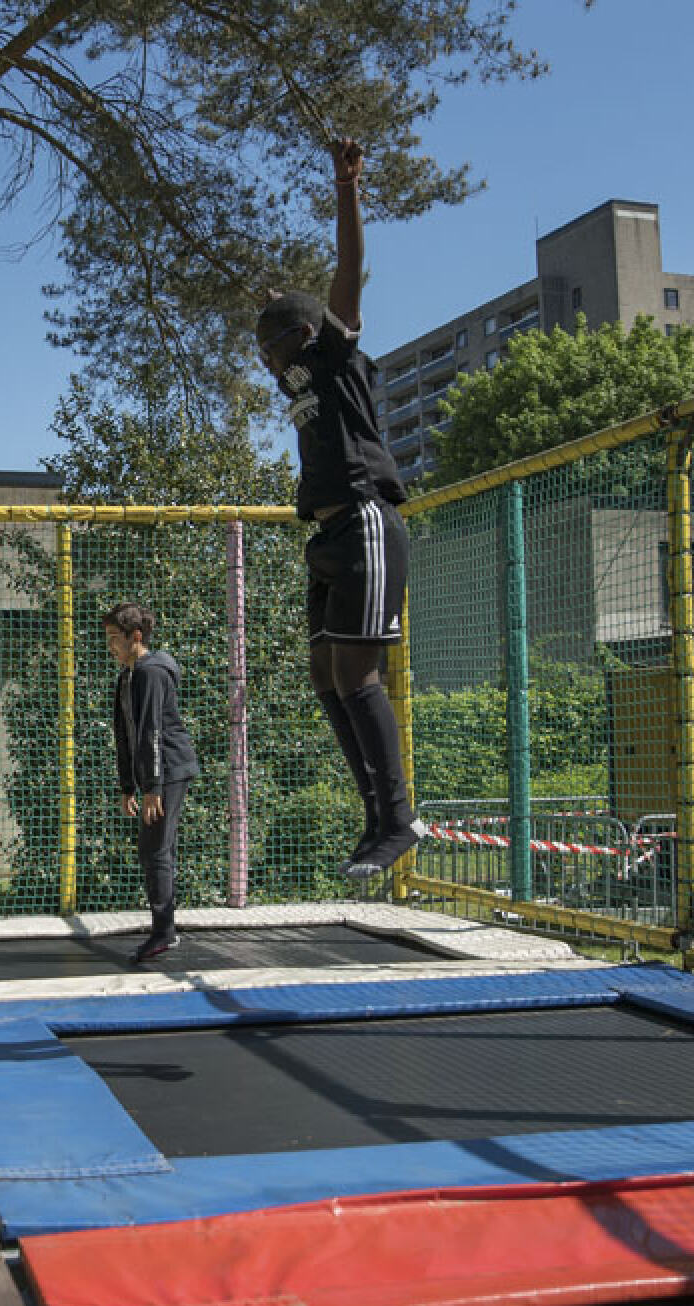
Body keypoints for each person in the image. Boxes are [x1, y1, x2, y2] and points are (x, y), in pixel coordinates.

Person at [255, 136, 424, 879]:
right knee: (326, 678)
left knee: (357, 677)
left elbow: (350, 272)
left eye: (271, 349)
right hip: (326, 537)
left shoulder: (333, 352)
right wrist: (271, 309)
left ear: (304, 335)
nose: (267, 364)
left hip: (365, 522)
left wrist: (346, 187)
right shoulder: (298, 379)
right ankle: (376, 817)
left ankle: (399, 818)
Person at [105, 603, 200, 964]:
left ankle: (164, 932)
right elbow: (124, 734)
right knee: (154, 848)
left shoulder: (151, 673)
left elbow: (152, 732)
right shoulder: (127, 677)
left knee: (156, 848)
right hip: (156, 773)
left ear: (136, 636)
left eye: (115, 638)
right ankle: (164, 927)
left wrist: (153, 788)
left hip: (169, 769)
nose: (110, 646)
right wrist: (127, 786)